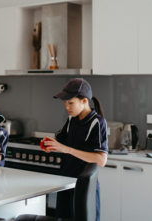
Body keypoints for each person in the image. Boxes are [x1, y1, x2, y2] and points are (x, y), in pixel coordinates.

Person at [42, 78, 108, 220]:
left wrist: (66, 149)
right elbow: (61, 141)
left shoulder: (97, 122)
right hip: (65, 184)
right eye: (65, 103)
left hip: (84, 189)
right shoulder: (72, 119)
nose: (67, 107)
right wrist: (51, 145)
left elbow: (101, 160)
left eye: (70, 103)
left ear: (84, 101)